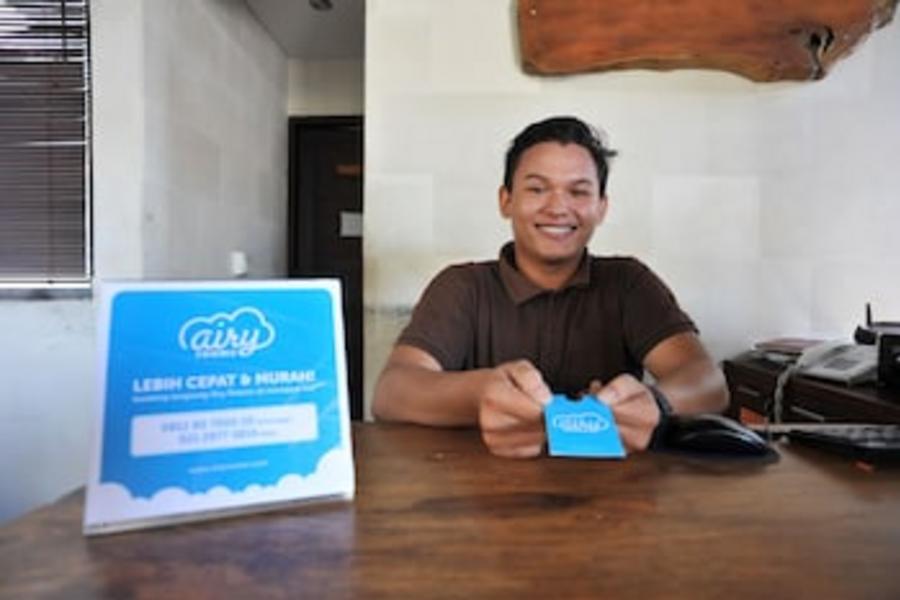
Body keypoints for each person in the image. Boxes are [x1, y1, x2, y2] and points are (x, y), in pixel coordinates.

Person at [372, 116, 728, 458]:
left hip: (613, 488)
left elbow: (709, 383)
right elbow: (391, 392)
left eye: (578, 191)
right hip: (481, 487)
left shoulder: (628, 283)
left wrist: (657, 403)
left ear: (601, 207)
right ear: (506, 200)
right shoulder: (463, 287)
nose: (558, 208)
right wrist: (480, 394)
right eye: (537, 189)